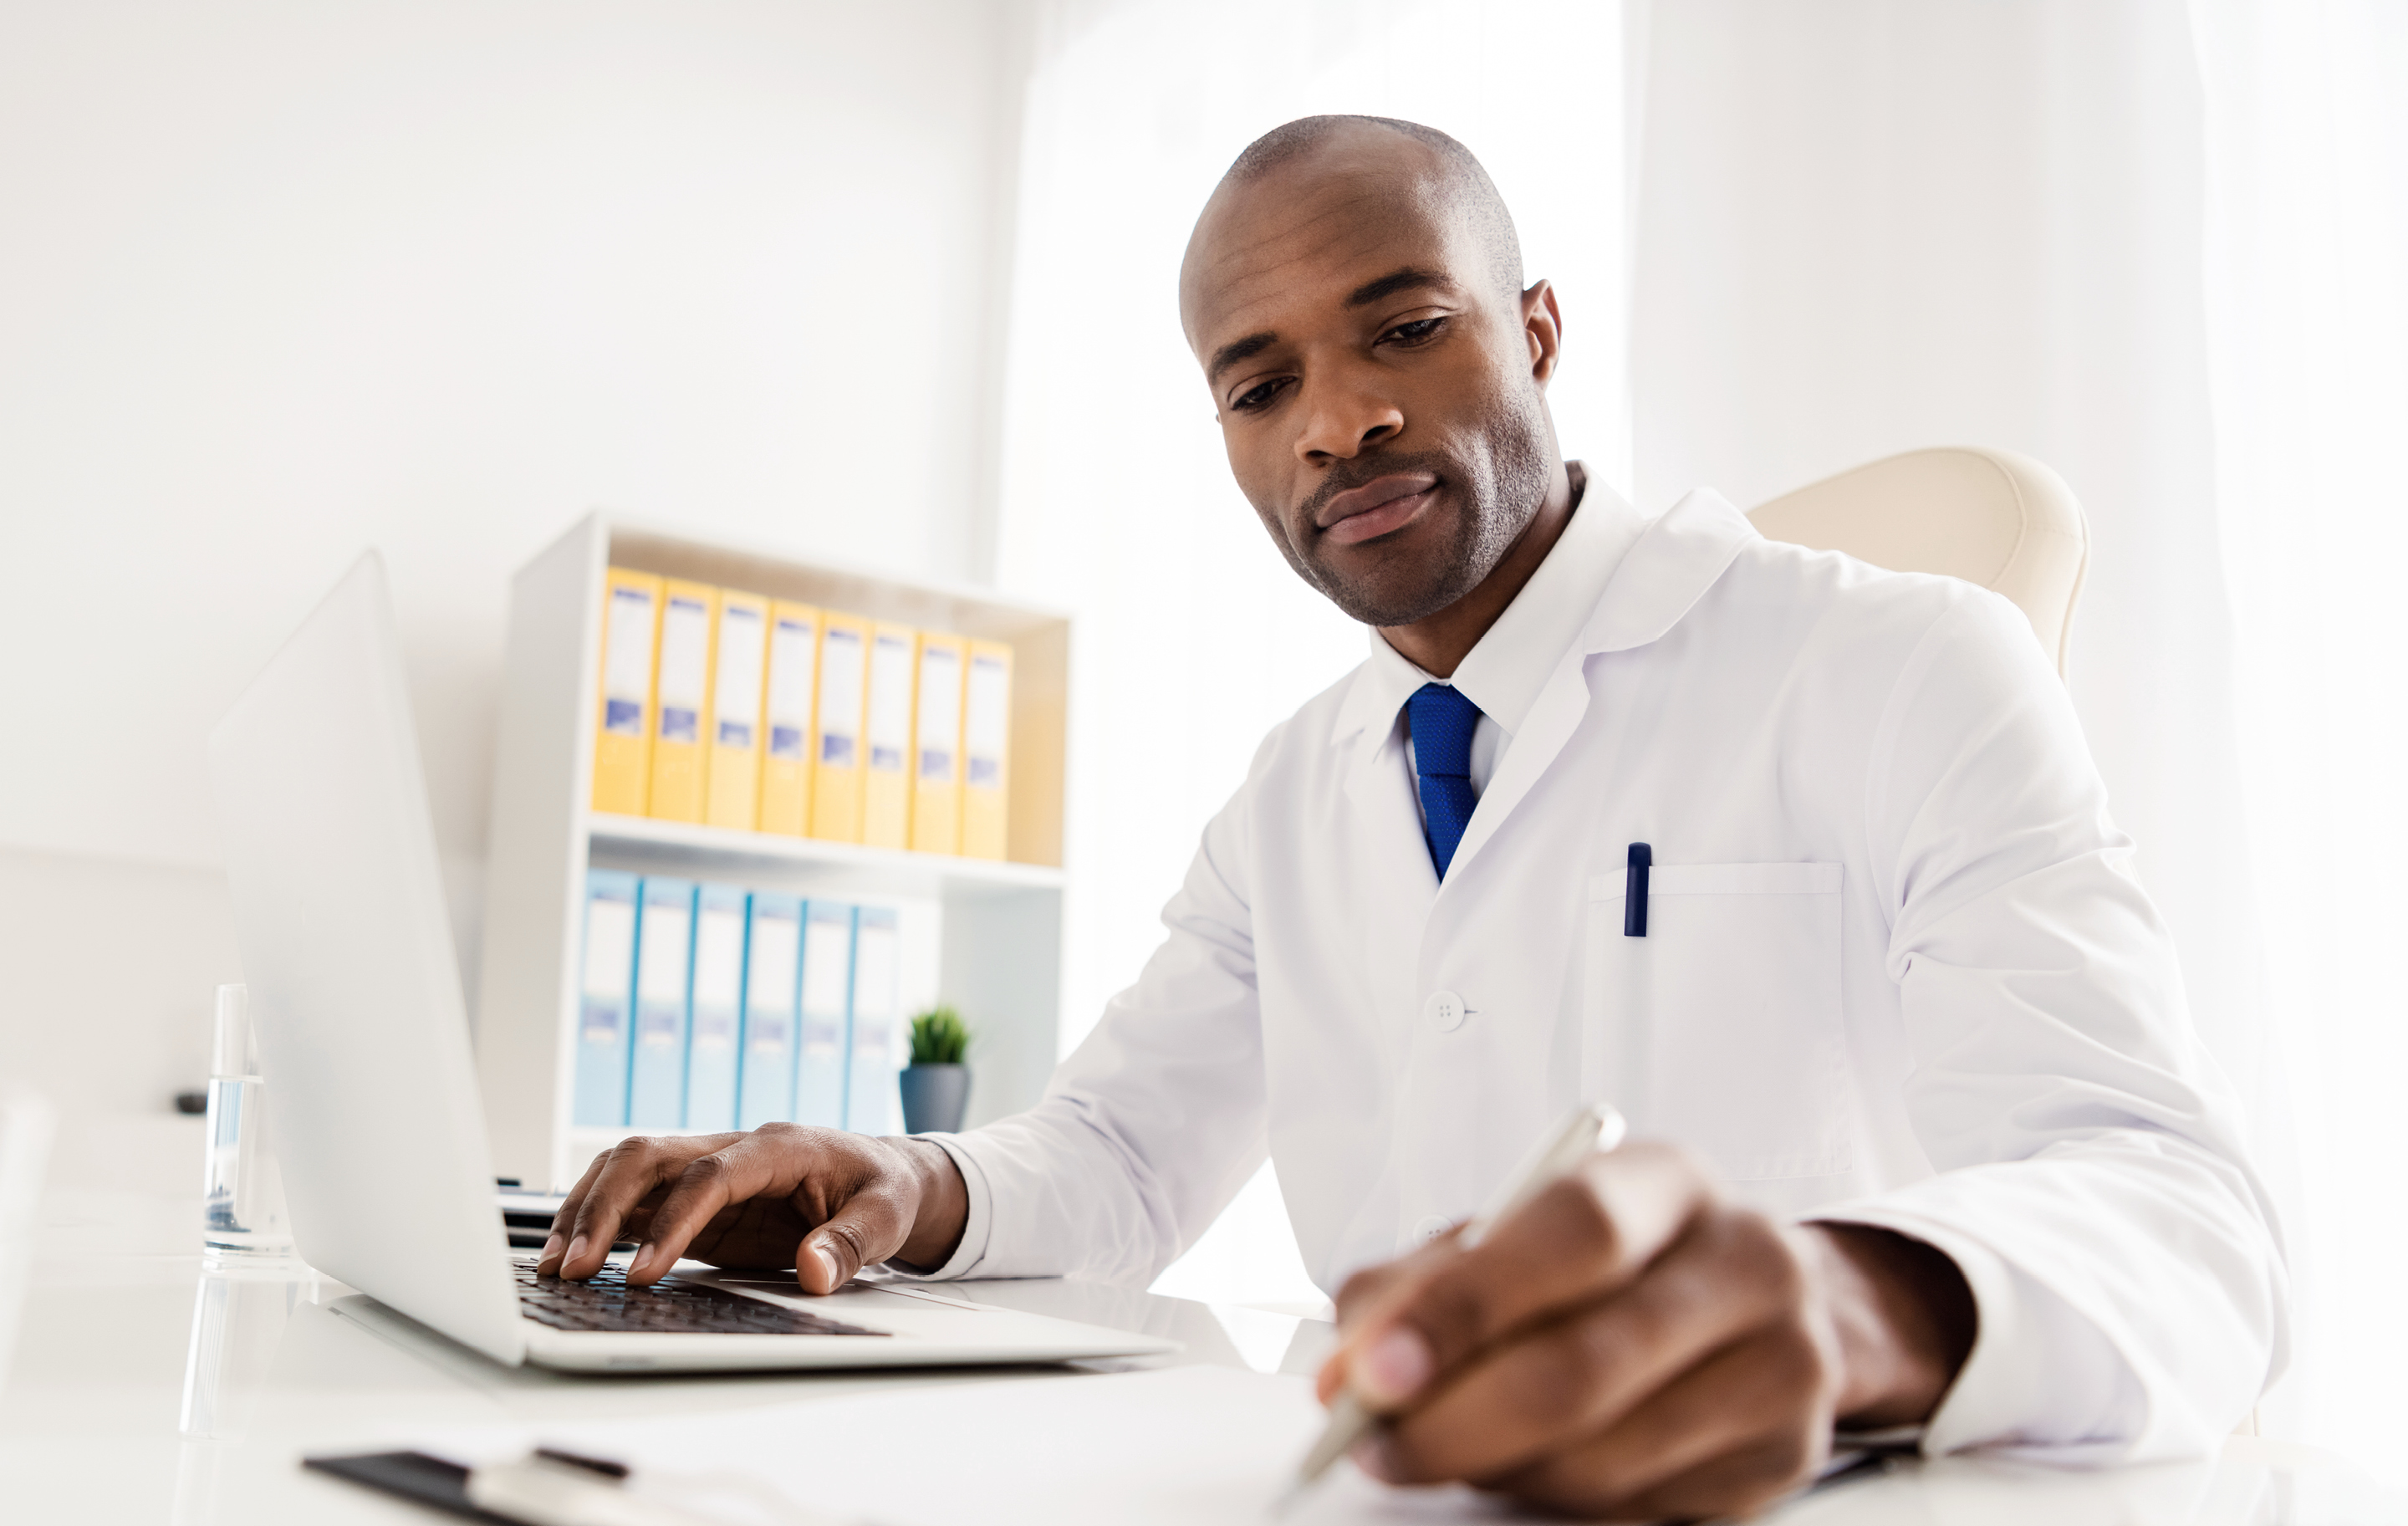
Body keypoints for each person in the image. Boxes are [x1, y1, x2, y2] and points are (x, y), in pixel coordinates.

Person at [540, 116, 2285, 1519]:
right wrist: (899, 1182)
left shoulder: (1896, 662)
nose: (1342, 420)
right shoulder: (1296, 787)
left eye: (1404, 327)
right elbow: (1120, 1156)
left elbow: (2183, 1217)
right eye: (1260, 383)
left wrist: (1851, 1305)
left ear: (1531, 327)